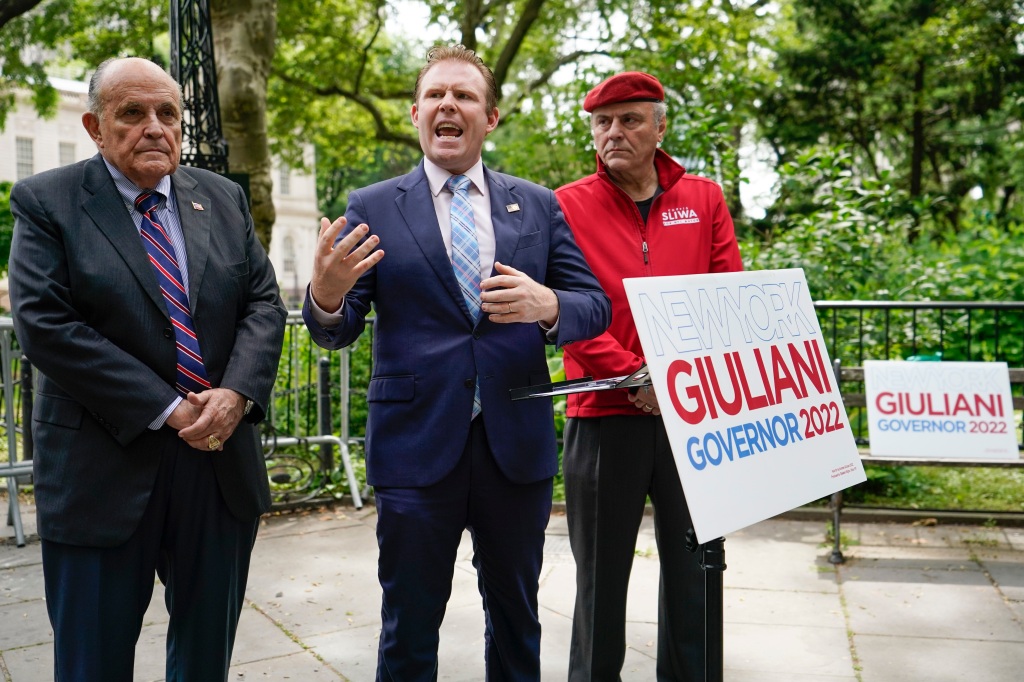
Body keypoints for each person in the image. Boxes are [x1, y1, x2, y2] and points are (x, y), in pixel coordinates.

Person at [303, 44, 610, 681]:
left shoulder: (538, 204)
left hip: (513, 449)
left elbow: (595, 306)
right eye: (436, 95)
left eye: (465, 95)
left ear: (490, 118)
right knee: (408, 627)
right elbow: (337, 328)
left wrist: (546, 303)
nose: (449, 105)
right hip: (415, 450)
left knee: (518, 623)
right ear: (416, 113)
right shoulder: (374, 205)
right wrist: (327, 296)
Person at [8, 57, 287, 682]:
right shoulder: (46, 201)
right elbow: (45, 324)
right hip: (101, 471)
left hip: (217, 467)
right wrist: (169, 405)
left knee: (204, 660)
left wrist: (237, 392)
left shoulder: (221, 197)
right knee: (92, 664)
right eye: (132, 114)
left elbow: (264, 304)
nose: (155, 128)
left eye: (169, 113)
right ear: (95, 126)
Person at [554, 71, 743, 681]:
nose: (615, 133)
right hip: (604, 414)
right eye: (603, 123)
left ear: (661, 128)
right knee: (600, 582)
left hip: (696, 418)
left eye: (630, 120)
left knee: (697, 573)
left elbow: (728, 298)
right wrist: (635, 376)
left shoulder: (705, 200)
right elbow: (567, 309)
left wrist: (680, 382)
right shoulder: (565, 204)